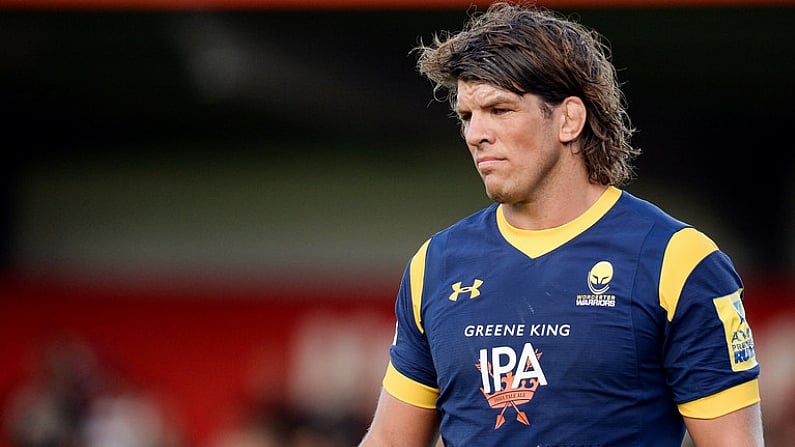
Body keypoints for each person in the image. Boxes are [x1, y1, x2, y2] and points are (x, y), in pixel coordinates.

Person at [357, 2, 764, 446]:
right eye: (467, 116)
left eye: (500, 110)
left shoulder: (678, 259)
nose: (476, 134)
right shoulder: (435, 264)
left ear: (569, 118)